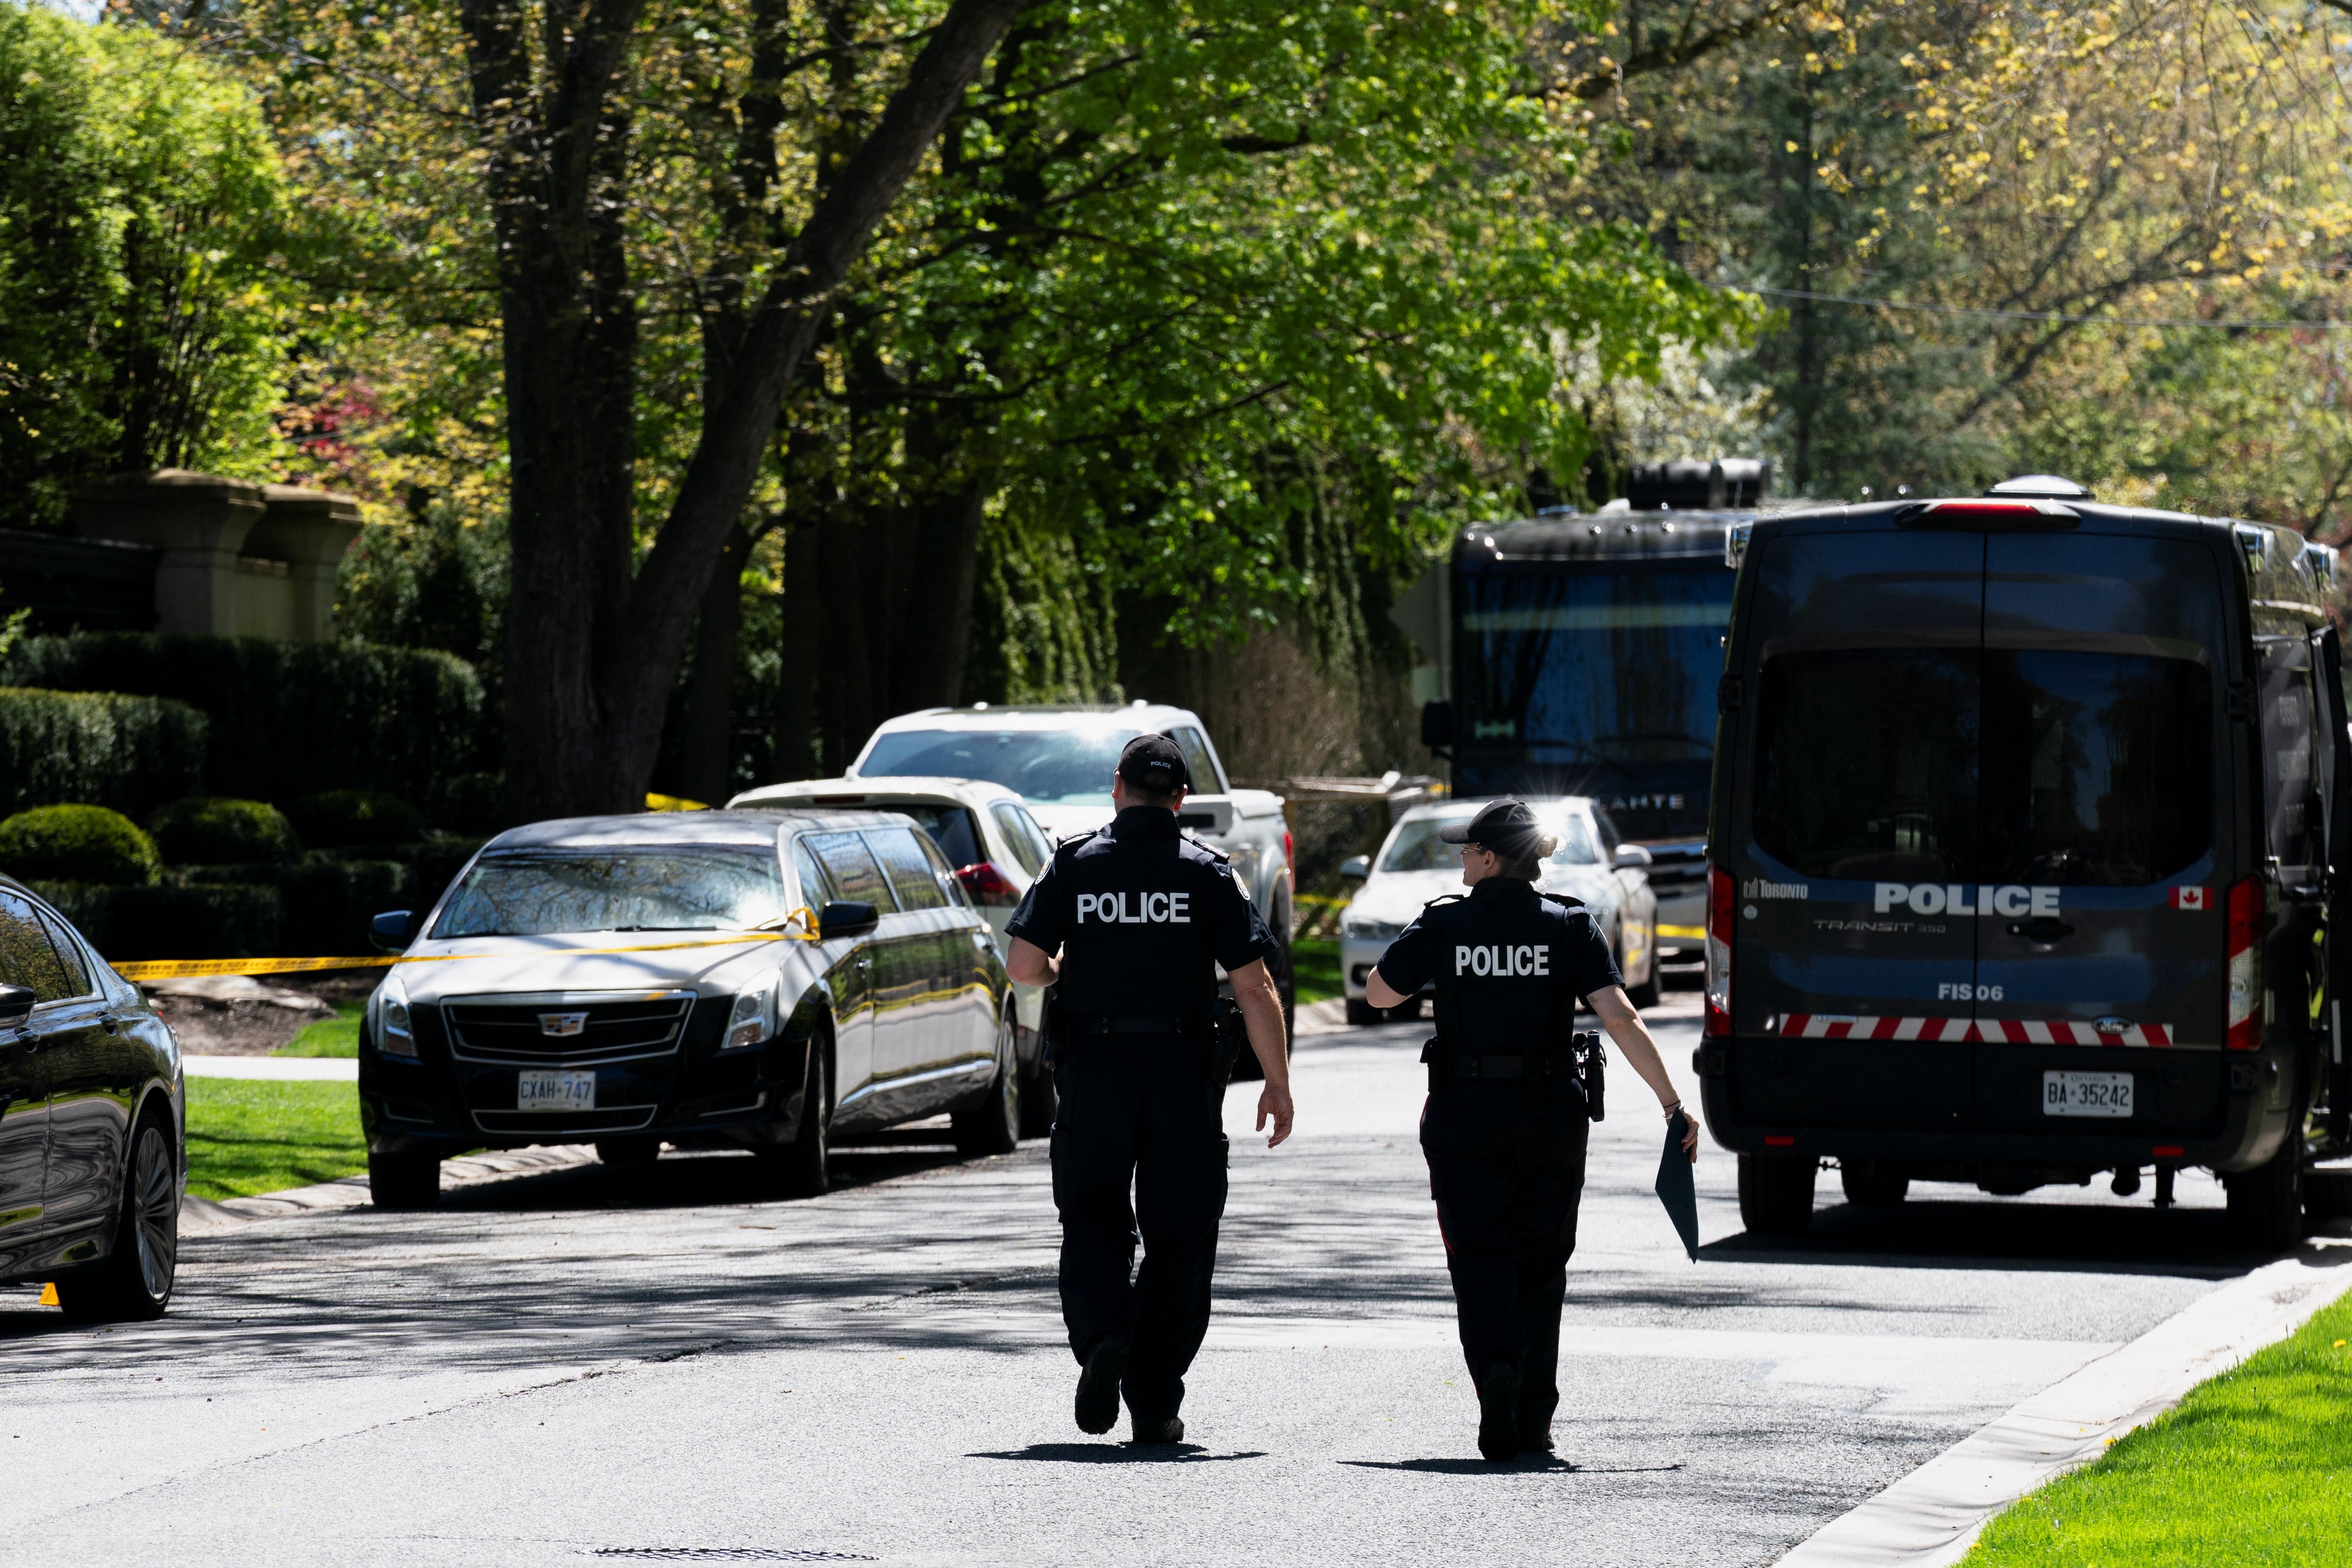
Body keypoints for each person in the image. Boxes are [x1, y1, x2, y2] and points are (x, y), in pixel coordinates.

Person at [1363, 798, 1699, 1463]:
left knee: (1479, 1256)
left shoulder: (1445, 923)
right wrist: (1670, 1103)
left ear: (1490, 859)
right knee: (1543, 1267)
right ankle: (1533, 1419)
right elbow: (1620, 1016)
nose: (1461, 859)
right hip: (1550, 1114)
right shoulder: (1570, 924)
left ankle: (1495, 1370)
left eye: (1467, 850)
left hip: (1466, 1113)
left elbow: (1378, 994)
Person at [1003, 733, 1294, 1445]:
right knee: (1181, 1237)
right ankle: (1155, 1399)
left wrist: (1061, 971)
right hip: (1181, 1075)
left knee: (1095, 1217)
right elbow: (1254, 987)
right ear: (1182, 799)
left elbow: (1021, 964)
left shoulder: (1074, 864)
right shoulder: (1209, 874)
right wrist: (1278, 1086)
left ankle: (1104, 1334)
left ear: (1117, 786)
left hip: (1095, 1070)